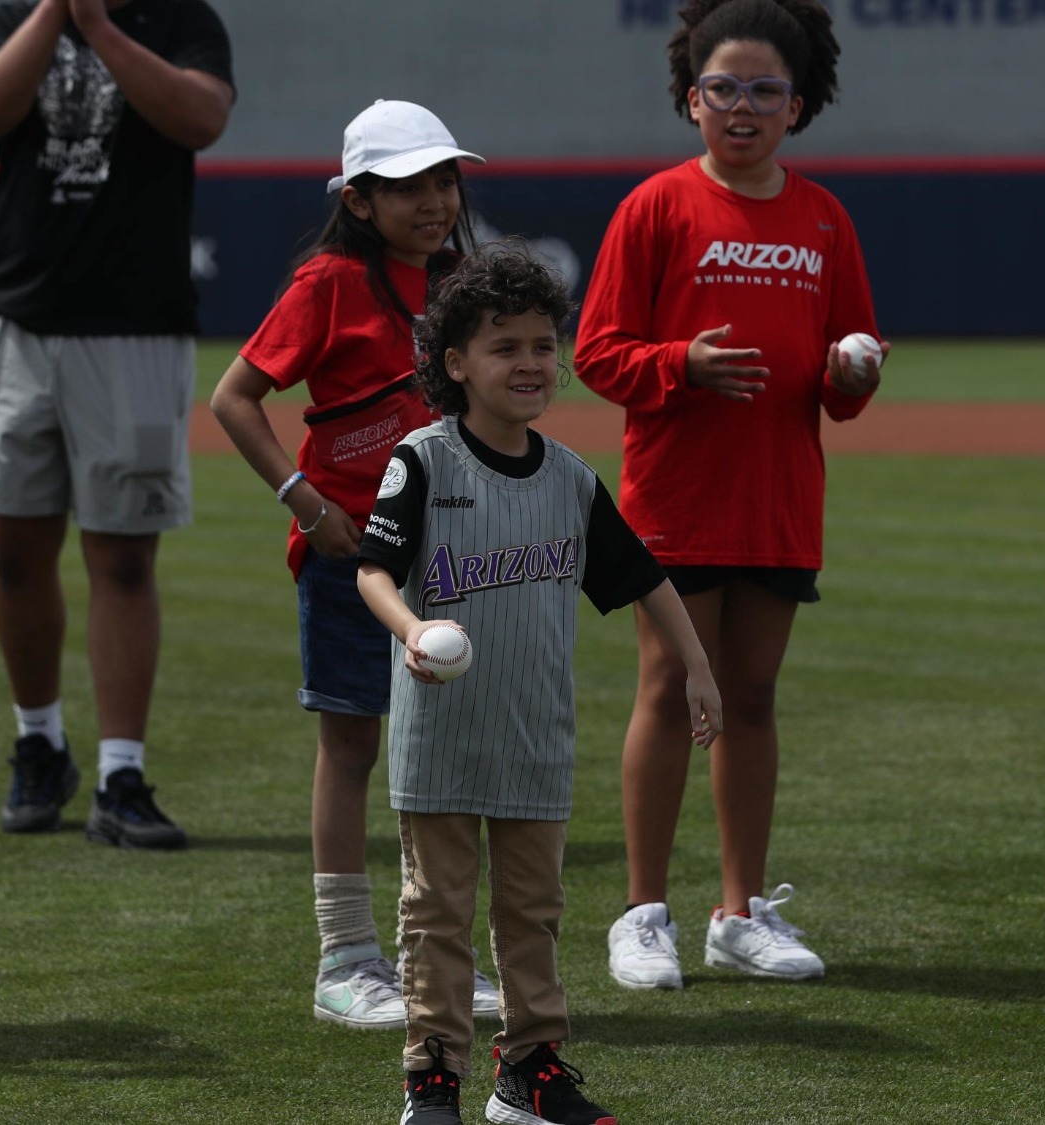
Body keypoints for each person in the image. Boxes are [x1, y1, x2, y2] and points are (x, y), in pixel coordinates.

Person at [358, 243, 722, 1125]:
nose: (529, 363)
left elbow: (643, 578)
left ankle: (530, 1072)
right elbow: (372, 571)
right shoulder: (424, 460)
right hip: (439, 732)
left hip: (534, 733)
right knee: (435, 912)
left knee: (534, 912)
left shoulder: (569, 479)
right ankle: (431, 1079)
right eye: (504, 347)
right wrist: (410, 629)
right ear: (455, 364)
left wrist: (698, 667)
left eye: (541, 345)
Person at [575, 0, 884, 990]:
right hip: (676, 498)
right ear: (687, 97)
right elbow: (597, 354)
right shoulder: (655, 208)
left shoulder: (824, 218)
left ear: (797, 105)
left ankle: (738, 914)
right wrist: (683, 365)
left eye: (763, 91)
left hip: (777, 499)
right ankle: (641, 913)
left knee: (749, 698)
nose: (740, 107)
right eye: (721, 89)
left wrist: (852, 373)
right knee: (669, 694)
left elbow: (840, 387)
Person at [210, 100, 507, 1030]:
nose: (433, 199)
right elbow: (233, 396)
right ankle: (344, 960)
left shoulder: (466, 278)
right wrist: (304, 501)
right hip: (350, 558)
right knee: (351, 748)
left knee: (449, 754)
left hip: (451, 557)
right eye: (409, 185)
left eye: (444, 179)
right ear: (361, 199)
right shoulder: (328, 283)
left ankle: (436, 956)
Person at [0, 0, 233, 849]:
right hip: (16, 313)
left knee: (121, 556)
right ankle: (39, 741)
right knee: (16, 547)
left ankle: (120, 771)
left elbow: (201, 118)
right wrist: (57, 13)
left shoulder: (183, 18)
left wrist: (104, 30)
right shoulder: (17, 16)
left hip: (135, 322)